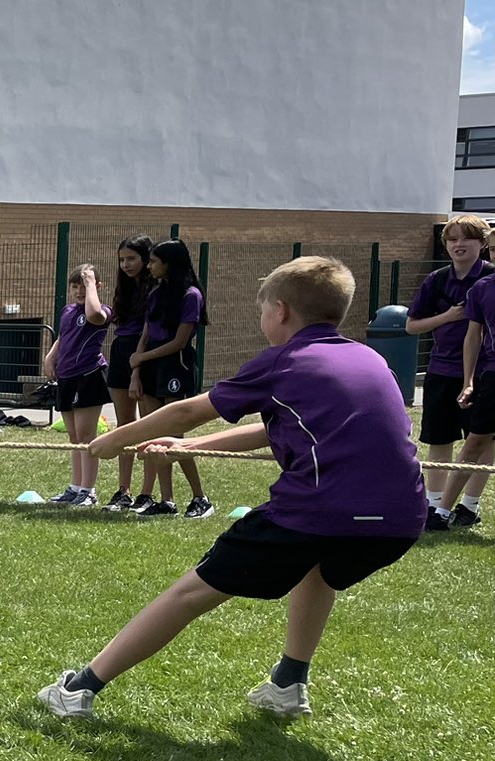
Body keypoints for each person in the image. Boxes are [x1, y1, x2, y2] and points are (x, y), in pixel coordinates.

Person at [41, 256, 424, 719]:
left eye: (262, 310)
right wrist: (194, 446)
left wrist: (114, 439)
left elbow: (186, 410)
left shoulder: (285, 361)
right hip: (400, 521)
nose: (262, 319)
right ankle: (288, 684)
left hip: (316, 511)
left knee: (190, 593)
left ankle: (79, 689)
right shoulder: (367, 358)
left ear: (280, 311)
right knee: (319, 568)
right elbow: (276, 430)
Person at [407, 215, 492, 529]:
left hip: (485, 374)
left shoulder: (490, 280)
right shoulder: (437, 280)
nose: (459, 245)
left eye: (466, 239)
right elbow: (412, 325)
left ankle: (468, 507)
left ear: (483, 244)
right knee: (439, 438)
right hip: (441, 370)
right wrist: (448, 316)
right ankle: (433, 505)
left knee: (481, 441)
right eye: (452, 239)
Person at [128, 237, 214, 518]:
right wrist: (136, 372)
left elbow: (179, 341)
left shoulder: (191, 295)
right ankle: (167, 501)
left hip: (175, 366)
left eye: (153, 261)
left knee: (174, 438)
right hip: (150, 366)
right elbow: (145, 335)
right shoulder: (155, 294)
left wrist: (143, 358)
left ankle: (201, 498)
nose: (149, 266)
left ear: (170, 264)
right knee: (155, 436)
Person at [428, 249, 495, 529]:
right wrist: (468, 381)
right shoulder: (482, 289)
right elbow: (473, 336)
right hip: (492, 375)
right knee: (474, 444)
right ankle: (441, 513)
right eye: (494, 249)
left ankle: (468, 507)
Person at [40, 264, 111, 506]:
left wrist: (91, 285)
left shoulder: (102, 311)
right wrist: (51, 356)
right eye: (75, 286)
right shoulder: (68, 311)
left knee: (86, 435)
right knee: (73, 436)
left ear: (97, 287)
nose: (79, 290)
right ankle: (75, 487)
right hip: (67, 377)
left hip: (88, 376)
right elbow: (64, 336)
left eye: (84, 285)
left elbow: (93, 316)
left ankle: (88, 491)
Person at [102, 236, 154, 510]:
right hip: (121, 349)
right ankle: (124, 490)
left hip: (142, 353)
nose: (126, 265)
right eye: (122, 260)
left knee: (147, 425)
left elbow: (149, 330)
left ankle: (147, 492)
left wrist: (138, 370)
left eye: (132, 259)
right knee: (125, 425)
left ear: (147, 259)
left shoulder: (155, 289)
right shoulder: (124, 289)